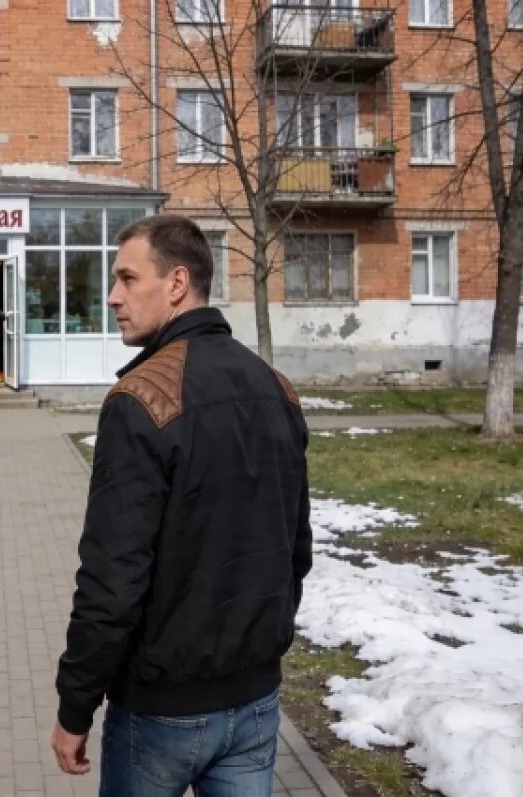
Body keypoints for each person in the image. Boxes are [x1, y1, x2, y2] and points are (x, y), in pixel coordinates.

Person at [50, 214, 314, 796]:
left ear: (176, 283)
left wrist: (75, 707)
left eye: (127, 278)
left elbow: (112, 580)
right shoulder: (276, 388)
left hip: (163, 711)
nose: (113, 296)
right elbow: (296, 553)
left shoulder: (140, 399)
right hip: (255, 698)